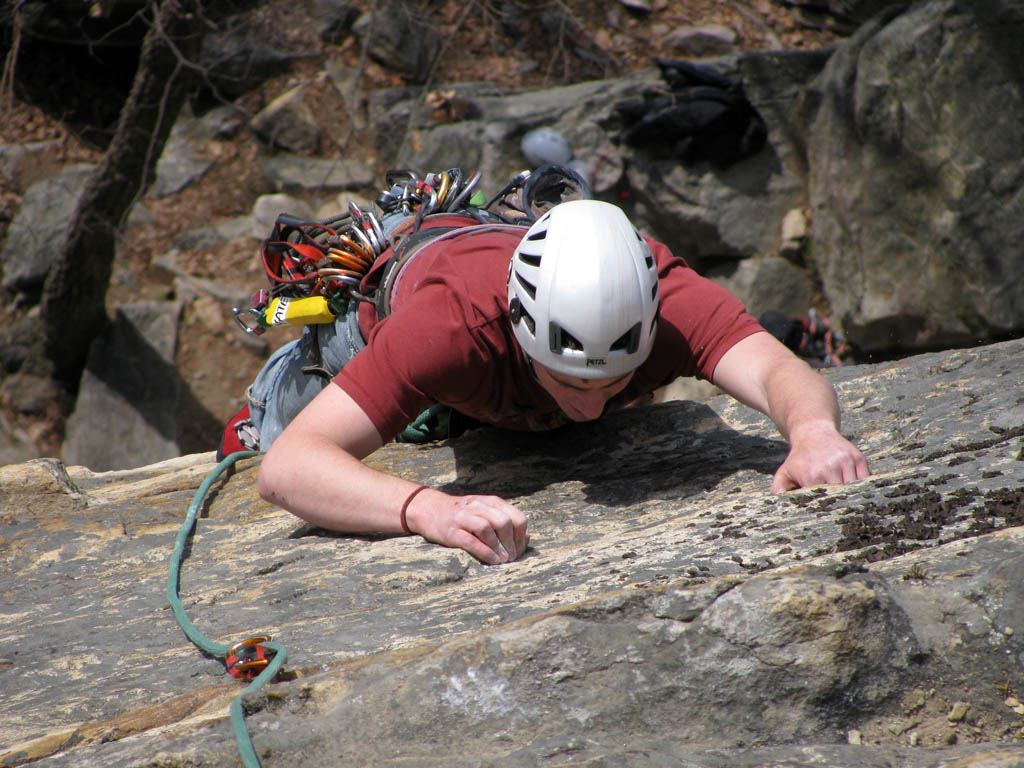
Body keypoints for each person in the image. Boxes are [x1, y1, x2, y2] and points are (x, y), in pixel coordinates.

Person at [246, 195, 869, 566]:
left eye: (613, 382)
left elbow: (778, 367)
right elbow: (289, 470)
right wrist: (425, 509)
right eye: (571, 383)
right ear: (518, 330)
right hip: (389, 307)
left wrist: (812, 432)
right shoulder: (451, 328)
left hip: (481, 348)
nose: (594, 412)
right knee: (271, 427)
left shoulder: (668, 301)